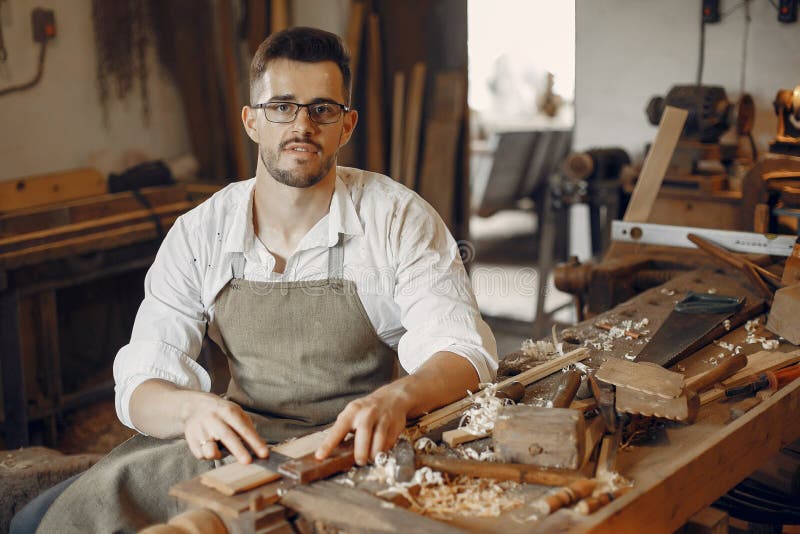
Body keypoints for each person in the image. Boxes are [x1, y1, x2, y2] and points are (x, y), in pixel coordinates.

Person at [18, 26, 497, 533]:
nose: (302, 125)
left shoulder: (396, 219)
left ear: (346, 125)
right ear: (252, 121)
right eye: (282, 107)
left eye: (322, 109)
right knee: (45, 522)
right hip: (235, 443)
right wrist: (190, 411)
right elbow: (141, 382)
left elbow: (463, 351)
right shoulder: (201, 232)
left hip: (350, 449)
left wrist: (397, 398)